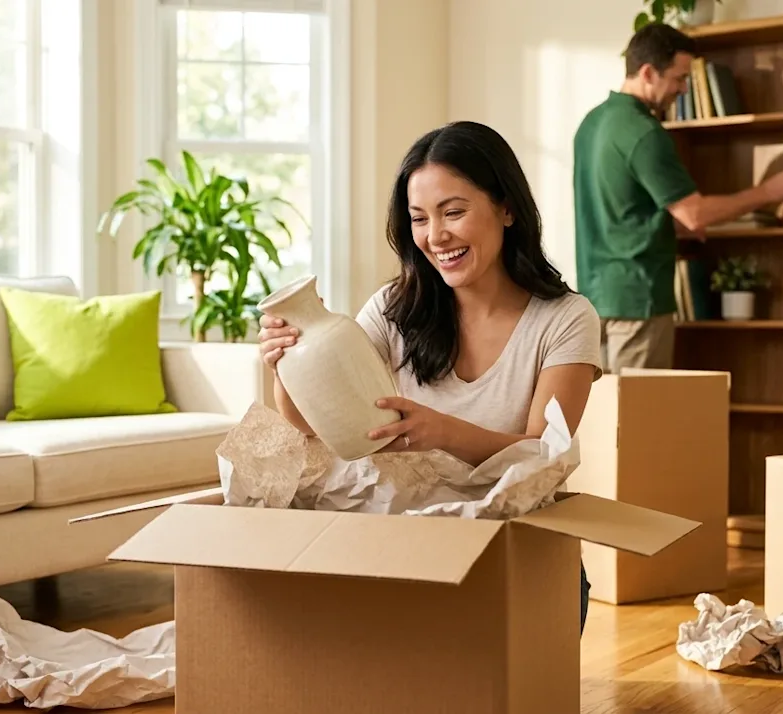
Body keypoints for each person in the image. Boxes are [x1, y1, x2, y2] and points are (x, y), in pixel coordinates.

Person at [257, 120, 603, 635]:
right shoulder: (394, 308)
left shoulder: (566, 319)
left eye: (454, 212)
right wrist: (289, 363)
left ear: (507, 208)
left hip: (511, 544)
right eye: (419, 219)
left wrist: (442, 432)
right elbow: (313, 428)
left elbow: (541, 457)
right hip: (403, 540)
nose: (435, 236)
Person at [572, 22, 783, 374]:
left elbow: (620, 209)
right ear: (648, 72)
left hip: (595, 300)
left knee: (600, 420)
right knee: (638, 420)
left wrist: (669, 228)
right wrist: (767, 192)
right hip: (640, 300)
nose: (683, 90)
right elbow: (694, 214)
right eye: (680, 78)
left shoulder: (590, 125)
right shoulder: (644, 132)